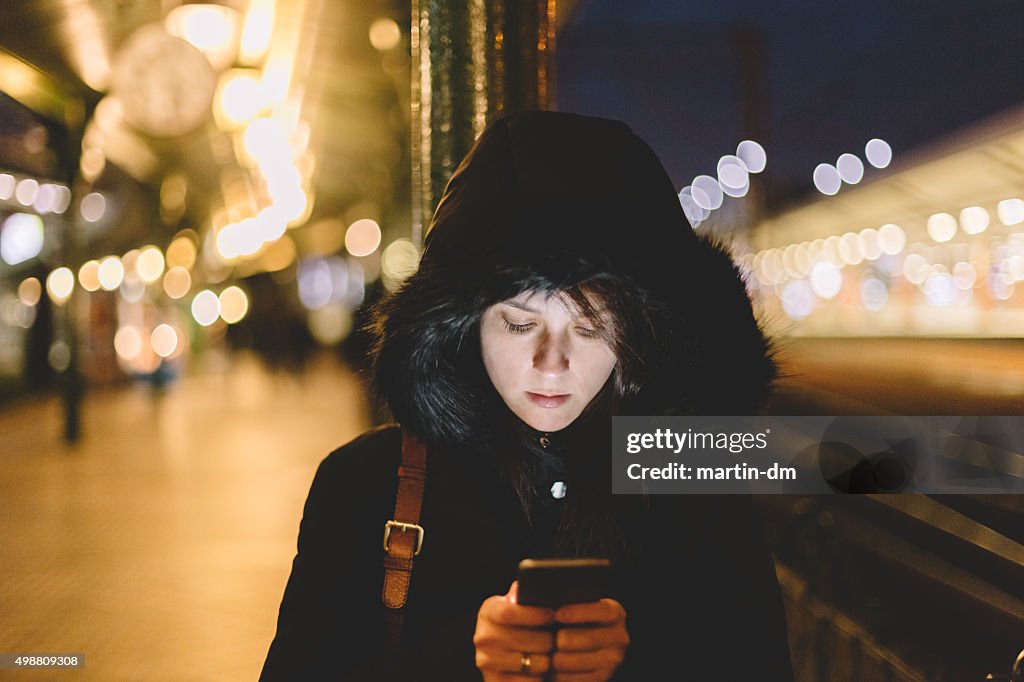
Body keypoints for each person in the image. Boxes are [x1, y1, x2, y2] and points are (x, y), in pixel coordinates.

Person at [260, 111, 794, 680]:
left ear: (640, 335)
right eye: (518, 325)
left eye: (591, 329)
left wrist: (633, 659)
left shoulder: (692, 476)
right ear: (462, 326)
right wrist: (460, 659)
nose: (551, 362)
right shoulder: (366, 482)